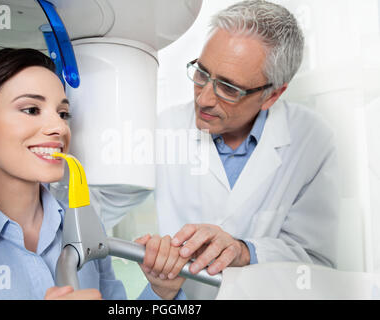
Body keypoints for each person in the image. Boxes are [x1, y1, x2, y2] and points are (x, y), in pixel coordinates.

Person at [99, 0, 341, 299]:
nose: (203, 99)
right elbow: (100, 204)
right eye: (201, 73)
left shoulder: (311, 139)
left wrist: (244, 251)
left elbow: (315, 260)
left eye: (229, 88)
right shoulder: (165, 129)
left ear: (272, 94)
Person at [0, 48, 188, 300]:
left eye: (63, 113)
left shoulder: (84, 226)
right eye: (31, 109)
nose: (59, 128)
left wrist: (161, 293)